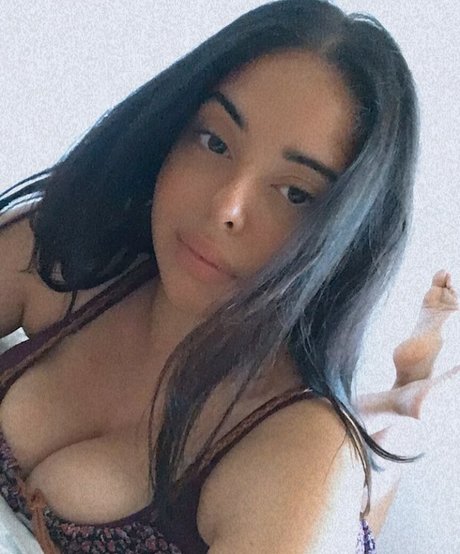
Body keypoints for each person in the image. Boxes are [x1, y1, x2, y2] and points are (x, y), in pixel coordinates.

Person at [0, 0, 458, 552]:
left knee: (370, 458)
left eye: (296, 194)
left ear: (347, 240)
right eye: (215, 142)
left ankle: (409, 398)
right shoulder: (77, 252)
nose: (226, 208)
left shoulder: (300, 454)